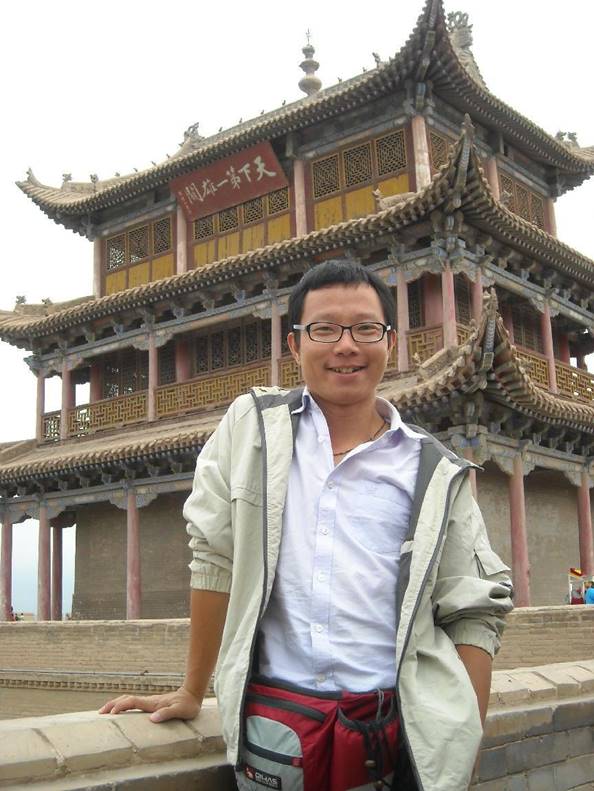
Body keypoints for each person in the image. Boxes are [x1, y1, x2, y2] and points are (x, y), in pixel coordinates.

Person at [100, 260, 513, 790]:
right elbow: (214, 557)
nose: (346, 346)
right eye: (324, 329)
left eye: (365, 328)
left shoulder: (435, 470)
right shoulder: (251, 432)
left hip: (392, 736)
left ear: (390, 342)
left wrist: (461, 747)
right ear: (295, 345)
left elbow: (473, 610)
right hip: (276, 734)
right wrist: (192, 690)